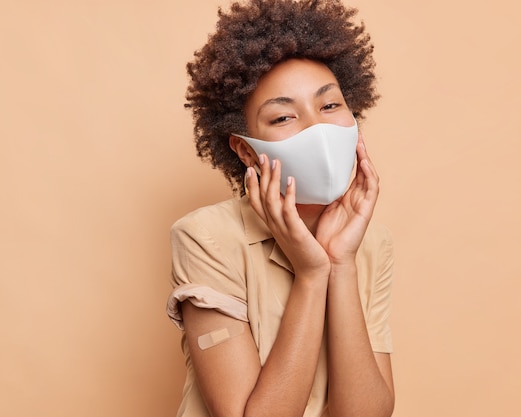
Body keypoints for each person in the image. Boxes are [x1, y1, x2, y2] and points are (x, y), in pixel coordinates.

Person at [166, 1, 395, 416]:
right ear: (245, 151)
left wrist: (340, 263)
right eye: (284, 116)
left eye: (330, 106)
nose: (318, 128)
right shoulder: (205, 238)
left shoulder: (372, 242)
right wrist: (312, 274)